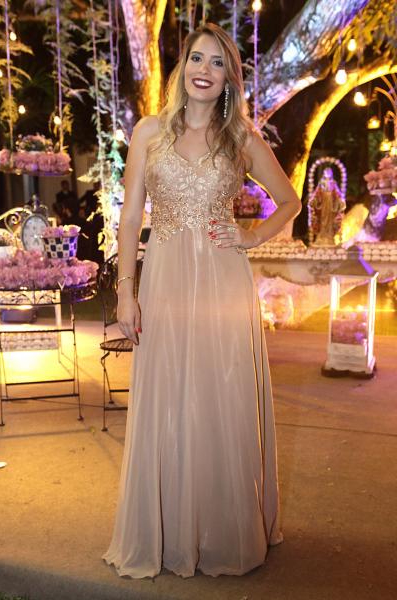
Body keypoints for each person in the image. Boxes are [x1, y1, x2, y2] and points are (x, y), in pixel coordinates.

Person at [103, 22, 301, 579]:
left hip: (222, 282)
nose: (204, 70)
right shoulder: (148, 132)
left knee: (220, 396)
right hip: (165, 279)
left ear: (229, 78)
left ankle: (222, 529)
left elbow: (289, 200)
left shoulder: (241, 138)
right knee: (169, 395)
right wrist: (125, 291)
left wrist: (252, 236)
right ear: (182, 67)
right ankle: (171, 530)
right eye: (197, 58)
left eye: (217, 63)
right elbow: (131, 218)